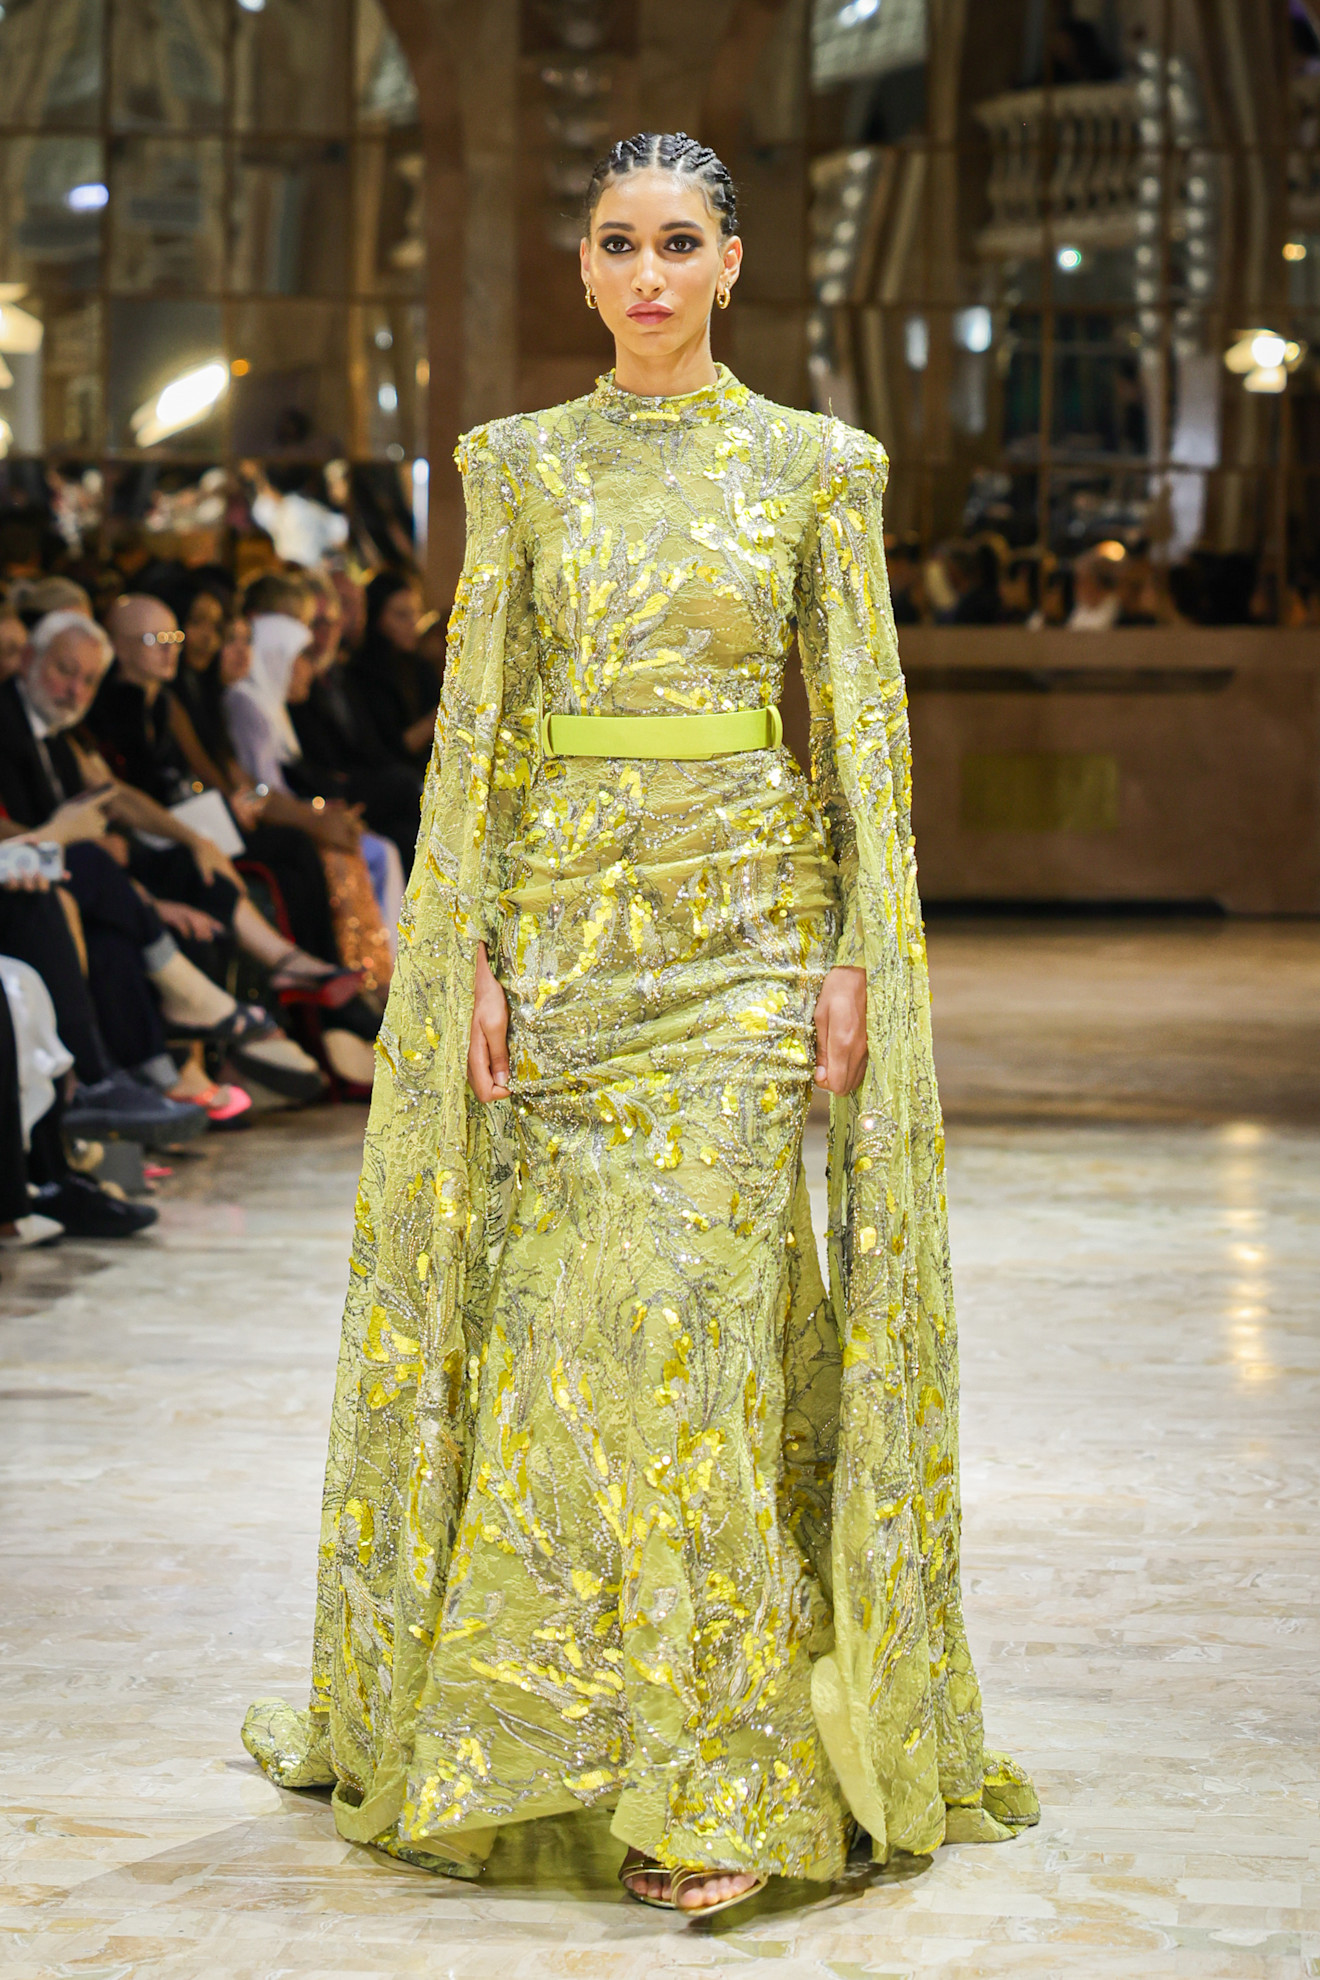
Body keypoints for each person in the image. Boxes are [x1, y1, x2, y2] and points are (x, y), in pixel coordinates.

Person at [242, 130, 1037, 1916]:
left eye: (682, 242)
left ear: (734, 262)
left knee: (696, 1332)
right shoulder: (521, 465)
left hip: (745, 944)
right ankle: (555, 1739)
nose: (651, 274)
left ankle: (731, 1778)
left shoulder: (816, 468)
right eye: (620, 243)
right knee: (564, 1342)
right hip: (564, 951)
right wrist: (466, 953)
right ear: (585, 267)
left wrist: (852, 951)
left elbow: (862, 733)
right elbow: (484, 727)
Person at [0, 610, 325, 1105]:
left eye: (87, 680)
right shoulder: (9, 719)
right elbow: (18, 836)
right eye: (65, 671)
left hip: (64, 876)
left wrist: (195, 841)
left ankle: (165, 1077)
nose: (74, 690)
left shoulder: (62, 727)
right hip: (38, 878)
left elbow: (115, 796)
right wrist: (69, 840)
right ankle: (180, 1035)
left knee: (154, 904)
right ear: (29, 660)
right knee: (98, 873)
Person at [348, 571, 438, 772]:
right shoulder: (363, 673)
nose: (413, 623)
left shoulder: (419, 666)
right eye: (401, 615)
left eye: (416, 612)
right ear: (376, 617)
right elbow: (390, 749)